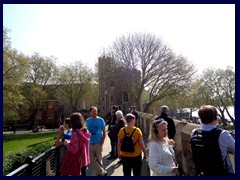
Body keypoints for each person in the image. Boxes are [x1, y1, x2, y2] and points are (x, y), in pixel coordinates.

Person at [190, 105, 235, 176]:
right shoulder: (223, 134)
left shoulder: (194, 132)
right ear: (215, 118)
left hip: (202, 172)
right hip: (222, 172)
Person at [86, 106, 108, 176]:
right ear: (90, 112)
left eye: (96, 111)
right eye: (93, 111)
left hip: (98, 143)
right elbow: (85, 131)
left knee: (99, 159)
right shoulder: (87, 121)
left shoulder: (101, 120)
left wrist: (102, 141)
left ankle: (99, 174)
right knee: (91, 160)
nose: (95, 112)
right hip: (90, 143)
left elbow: (104, 131)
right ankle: (102, 172)